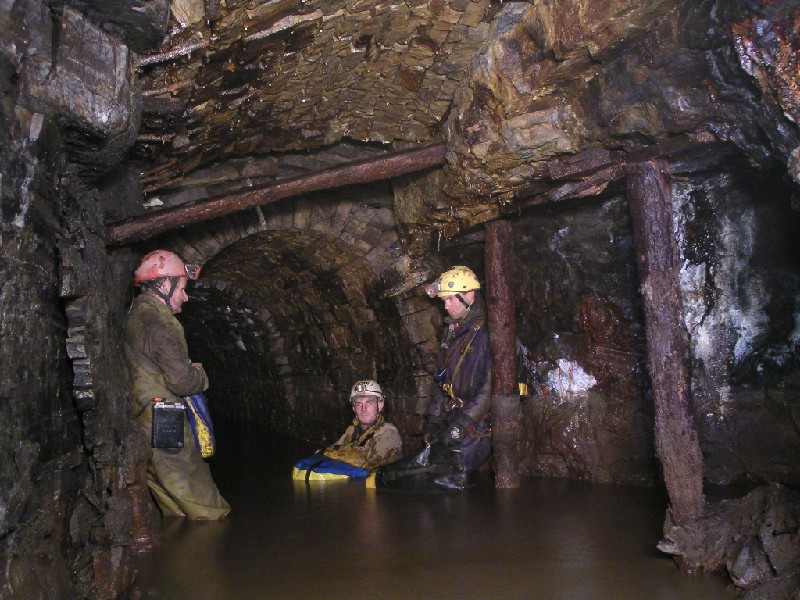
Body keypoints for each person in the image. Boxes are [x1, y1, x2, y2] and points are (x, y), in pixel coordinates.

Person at [123, 250, 230, 520]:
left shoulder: (135, 313)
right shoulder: (161, 322)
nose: (186, 296)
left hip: (143, 419)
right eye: (182, 288)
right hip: (165, 421)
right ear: (163, 285)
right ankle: (215, 548)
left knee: (175, 505)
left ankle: (182, 554)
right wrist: (201, 376)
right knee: (206, 506)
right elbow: (182, 382)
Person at [423, 265, 492, 474]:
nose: (446, 306)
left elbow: (490, 385)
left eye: (451, 299)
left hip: (479, 423)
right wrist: (433, 420)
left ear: (469, 296)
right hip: (456, 416)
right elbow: (440, 380)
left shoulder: (486, 333)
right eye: (444, 300)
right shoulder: (452, 332)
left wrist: (464, 422)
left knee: (449, 475)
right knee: (429, 468)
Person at [322, 380, 403, 471]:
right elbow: (331, 452)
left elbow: (365, 460)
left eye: (369, 402)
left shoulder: (389, 433)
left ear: (380, 406)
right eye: (359, 403)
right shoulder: (351, 431)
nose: (363, 409)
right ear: (354, 409)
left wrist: (333, 452)